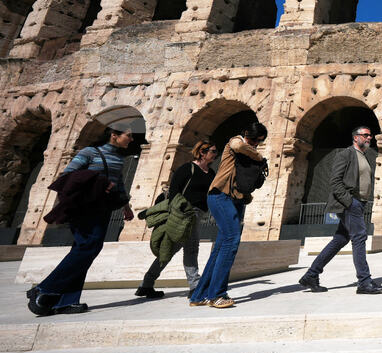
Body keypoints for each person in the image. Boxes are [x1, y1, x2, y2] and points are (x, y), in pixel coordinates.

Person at [28, 125, 136, 316]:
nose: (132, 139)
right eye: (128, 135)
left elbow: (119, 184)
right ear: (114, 135)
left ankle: (66, 301)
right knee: (88, 247)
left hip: (103, 206)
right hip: (85, 206)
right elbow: (67, 175)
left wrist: (125, 206)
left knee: (84, 249)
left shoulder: (119, 159)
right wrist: (98, 181)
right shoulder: (89, 152)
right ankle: (44, 288)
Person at [298, 126, 382, 295]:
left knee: (340, 239)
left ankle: (311, 275)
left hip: (358, 203)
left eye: (370, 135)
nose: (369, 138)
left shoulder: (364, 156)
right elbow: (335, 181)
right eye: (366, 135)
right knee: (359, 237)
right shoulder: (346, 154)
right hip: (350, 203)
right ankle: (364, 282)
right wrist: (349, 202)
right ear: (356, 137)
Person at [189, 123, 267, 309]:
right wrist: (259, 156)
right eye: (254, 139)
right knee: (232, 240)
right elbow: (239, 145)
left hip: (236, 200)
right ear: (246, 133)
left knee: (220, 247)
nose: (255, 144)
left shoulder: (247, 150)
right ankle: (217, 294)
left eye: (260, 141)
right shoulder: (235, 142)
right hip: (220, 196)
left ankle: (199, 295)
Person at [135, 141, 218, 299]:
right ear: (202, 152)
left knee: (170, 249)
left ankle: (146, 284)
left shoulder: (211, 173)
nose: (215, 154)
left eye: (215, 152)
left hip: (198, 213)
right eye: (212, 151)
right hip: (185, 213)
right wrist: (180, 211)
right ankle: (195, 286)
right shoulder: (187, 168)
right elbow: (174, 191)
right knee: (191, 248)